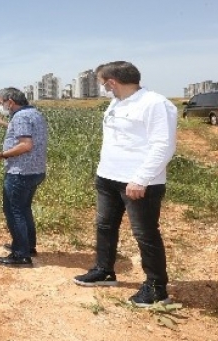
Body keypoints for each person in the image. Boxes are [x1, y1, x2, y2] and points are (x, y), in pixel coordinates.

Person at [73, 61, 178, 308]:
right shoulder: (116, 102)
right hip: (108, 177)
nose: (101, 88)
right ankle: (104, 270)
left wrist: (141, 179)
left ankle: (156, 287)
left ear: (112, 82)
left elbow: (163, 145)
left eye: (101, 83)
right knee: (104, 225)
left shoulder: (155, 103)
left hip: (139, 183)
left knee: (145, 234)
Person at [0, 88, 48, 267]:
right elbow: (23, 133)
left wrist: (1, 155)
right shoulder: (33, 113)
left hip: (20, 171)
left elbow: (26, 144)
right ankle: (27, 246)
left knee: (14, 211)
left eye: (0, 102)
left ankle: (20, 255)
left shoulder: (20, 117)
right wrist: (1, 122)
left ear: (10, 102)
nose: (0, 106)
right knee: (24, 209)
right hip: (35, 170)